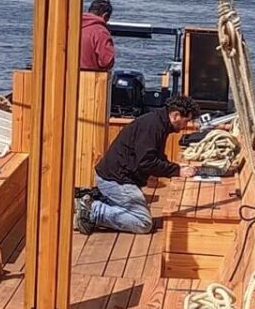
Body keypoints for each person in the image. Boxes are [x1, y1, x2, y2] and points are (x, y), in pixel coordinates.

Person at [77, 95, 199, 234]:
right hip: (116, 180)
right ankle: (92, 210)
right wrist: (177, 171)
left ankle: (96, 199)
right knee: (143, 222)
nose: (185, 126)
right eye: (186, 120)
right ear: (176, 115)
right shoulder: (153, 127)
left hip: (117, 176)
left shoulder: (158, 123)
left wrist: (176, 167)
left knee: (137, 214)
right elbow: (146, 162)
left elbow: (154, 156)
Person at [79, 0, 115, 72]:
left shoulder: (73, 26)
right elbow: (106, 62)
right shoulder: (101, 32)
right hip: (90, 79)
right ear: (105, 16)